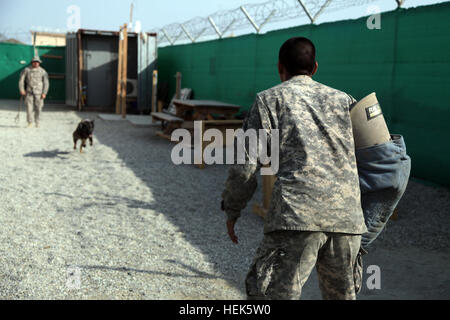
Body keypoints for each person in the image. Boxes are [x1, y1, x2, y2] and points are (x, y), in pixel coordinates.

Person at [221, 37, 368, 300]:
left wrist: (232, 210)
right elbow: (379, 153)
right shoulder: (345, 100)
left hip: (296, 216)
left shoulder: (268, 100)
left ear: (280, 68)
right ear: (315, 68)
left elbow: (244, 166)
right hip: (346, 220)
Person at [18, 56, 49, 128]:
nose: (36, 63)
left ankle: (37, 122)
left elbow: (46, 83)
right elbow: (21, 80)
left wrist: (44, 92)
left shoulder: (43, 71)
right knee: (29, 108)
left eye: (37, 62)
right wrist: (22, 89)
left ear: (39, 63)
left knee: (39, 108)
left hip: (39, 93)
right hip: (29, 92)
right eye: (34, 62)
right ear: (32, 62)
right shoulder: (26, 70)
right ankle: (30, 122)